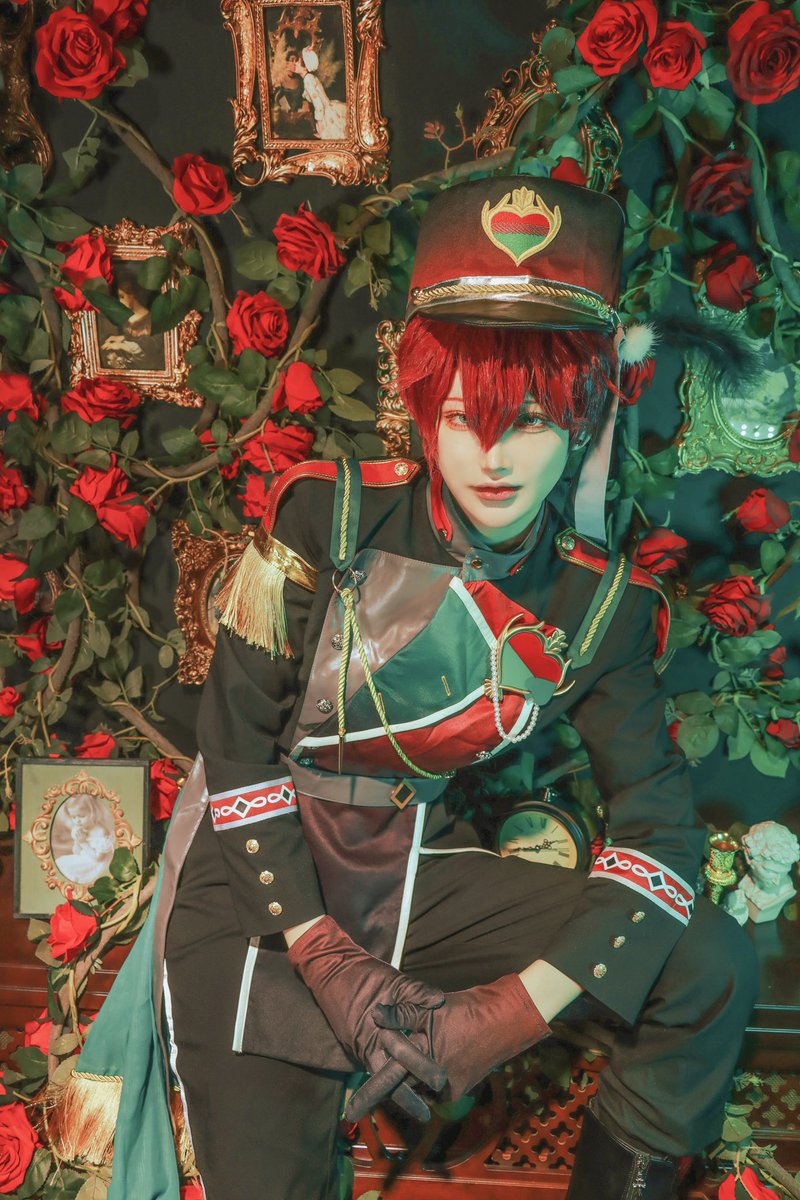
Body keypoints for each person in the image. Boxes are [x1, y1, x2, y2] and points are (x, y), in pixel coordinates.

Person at [56, 177, 759, 1200]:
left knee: (708, 959)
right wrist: (320, 952)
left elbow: (657, 834)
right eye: (464, 417)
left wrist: (513, 1010)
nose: (493, 457)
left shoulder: (600, 604)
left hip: (417, 871)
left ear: (580, 418)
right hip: (261, 882)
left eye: (530, 421)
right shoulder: (323, 517)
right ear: (424, 411)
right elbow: (237, 750)